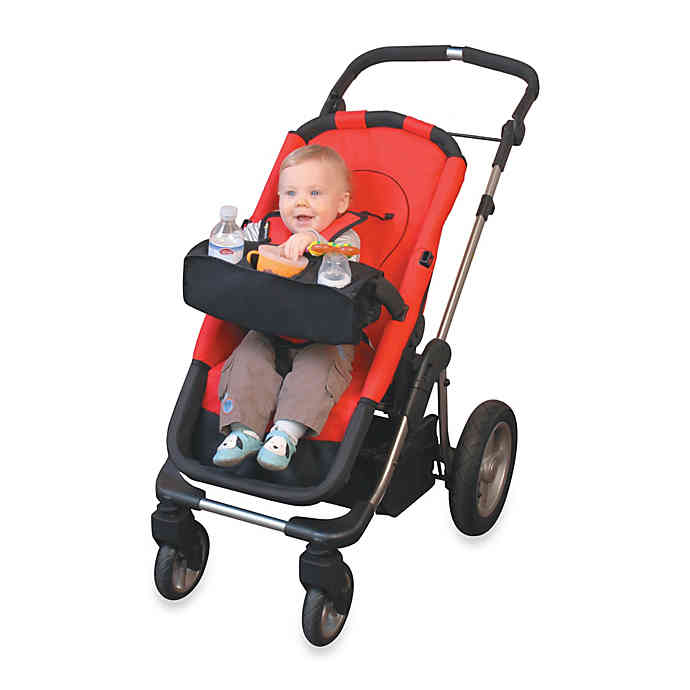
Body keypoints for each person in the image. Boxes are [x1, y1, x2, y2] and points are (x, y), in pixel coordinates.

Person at [212, 145, 360, 471]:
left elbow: (346, 259)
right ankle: (244, 432)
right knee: (248, 356)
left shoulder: (346, 239)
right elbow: (235, 245)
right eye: (291, 193)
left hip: (324, 337)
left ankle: (285, 434)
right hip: (269, 327)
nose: (301, 202)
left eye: (315, 193)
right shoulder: (265, 230)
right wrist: (228, 239)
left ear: (341, 203)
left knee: (316, 371)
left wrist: (313, 240)